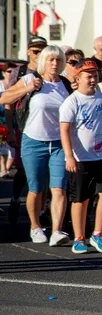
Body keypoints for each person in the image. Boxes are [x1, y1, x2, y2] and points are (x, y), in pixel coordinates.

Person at [0, 44, 71, 245]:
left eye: (58, 60)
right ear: (43, 62)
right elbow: (5, 97)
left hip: (58, 143)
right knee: (36, 188)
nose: (55, 63)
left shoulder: (65, 84)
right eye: (50, 59)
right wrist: (27, 88)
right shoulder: (31, 79)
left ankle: (57, 231)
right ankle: (35, 226)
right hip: (33, 141)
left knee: (58, 188)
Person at [59, 60, 102, 254]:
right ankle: (79, 237)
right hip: (80, 157)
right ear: (78, 78)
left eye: (95, 76)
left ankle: (98, 234)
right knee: (81, 200)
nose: (93, 80)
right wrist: (69, 156)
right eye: (88, 76)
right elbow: (64, 130)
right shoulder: (72, 101)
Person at [3, 36, 48, 225]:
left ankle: (43, 208)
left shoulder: (49, 71)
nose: (38, 54)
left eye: (42, 51)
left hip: (46, 127)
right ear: (29, 51)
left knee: (45, 171)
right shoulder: (19, 72)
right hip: (24, 126)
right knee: (23, 171)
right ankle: (15, 199)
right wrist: (11, 131)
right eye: (35, 51)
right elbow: (8, 101)